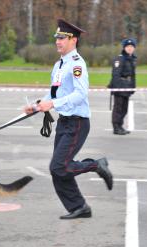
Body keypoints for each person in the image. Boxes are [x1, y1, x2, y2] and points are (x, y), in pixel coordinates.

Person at [24, 19, 113, 219]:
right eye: (57, 37)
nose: (58, 41)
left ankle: (96, 165)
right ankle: (79, 207)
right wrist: (37, 106)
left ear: (73, 40)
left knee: (59, 166)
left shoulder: (76, 65)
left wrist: (53, 105)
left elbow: (81, 94)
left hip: (78, 123)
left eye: (62, 38)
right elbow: (54, 94)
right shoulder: (59, 65)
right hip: (65, 122)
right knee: (59, 169)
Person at [108, 38, 137, 135]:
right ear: (124, 48)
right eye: (128, 47)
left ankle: (120, 126)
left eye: (132, 47)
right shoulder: (120, 58)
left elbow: (132, 75)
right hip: (120, 87)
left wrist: (133, 87)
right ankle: (116, 127)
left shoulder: (131, 59)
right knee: (118, 108)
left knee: (124, 108)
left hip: (127, 86)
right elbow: (115, 74)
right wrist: (116, 88)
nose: (130, 48)